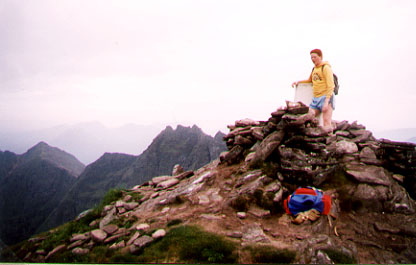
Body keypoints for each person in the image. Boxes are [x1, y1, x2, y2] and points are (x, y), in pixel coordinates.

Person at [292, 49, 335, 133]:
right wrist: (298, 82)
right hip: (316, 98)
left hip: (326, 97)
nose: (313, 59)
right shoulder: (314, 69)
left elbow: (331, 85)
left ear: (320, 57)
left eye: (315, 57)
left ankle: (330, 142)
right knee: (308, 116)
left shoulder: (326, 68)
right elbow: (310, 80)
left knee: (326, 123)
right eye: (311, 57)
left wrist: (327, 101)